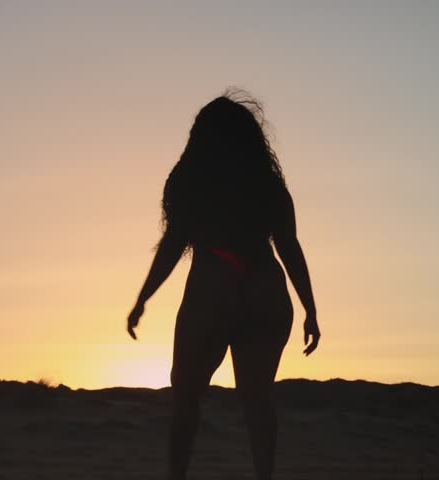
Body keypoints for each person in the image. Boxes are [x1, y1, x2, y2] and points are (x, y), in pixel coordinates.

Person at [127, 90, 319, 480]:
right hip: (266, 289)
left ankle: (176, 475)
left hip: (213, 288)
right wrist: (310, 309)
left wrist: (143, 298)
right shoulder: (269, 187)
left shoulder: (190, 183)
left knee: (186, 396)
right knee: (257, 400)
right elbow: (289, 248)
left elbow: (173, 244)